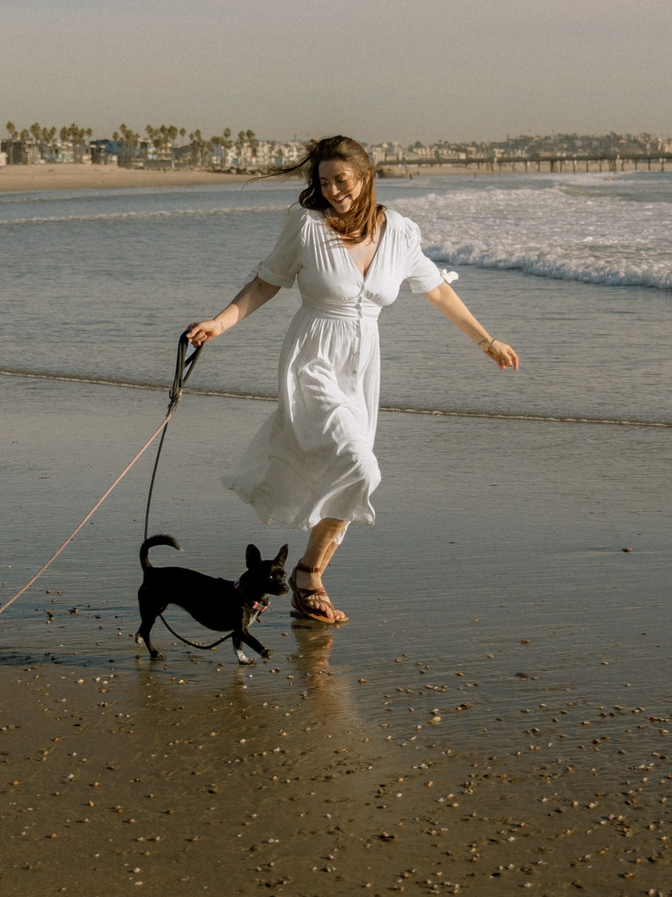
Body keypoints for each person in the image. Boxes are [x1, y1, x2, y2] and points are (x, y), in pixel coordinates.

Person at [185, 135, 518, 626]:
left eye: (342, 180)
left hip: (363, 368)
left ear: (364, 178)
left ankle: (307, 575)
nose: (334, 190)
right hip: (313, 359)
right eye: (324, 182)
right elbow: (266, 282)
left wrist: (487, 341)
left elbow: (438, 290)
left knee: (350, 468)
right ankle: (309, 575)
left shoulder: (400, 232)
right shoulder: (306, 225)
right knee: (362, 466)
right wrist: (219, 322)